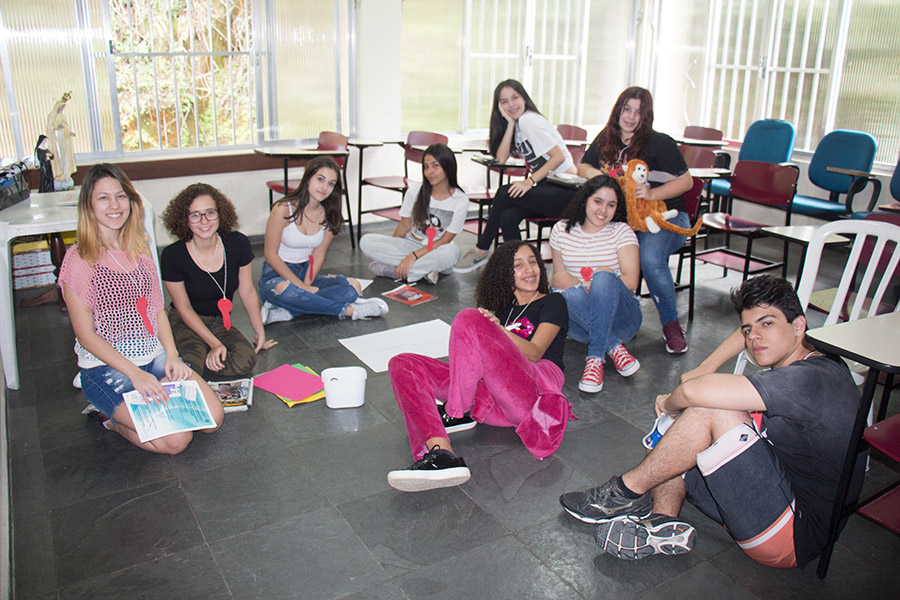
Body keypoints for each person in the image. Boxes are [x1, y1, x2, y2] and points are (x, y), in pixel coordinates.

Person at [559, 275, 859, 569]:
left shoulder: (813, 378)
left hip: (792, 532)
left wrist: (670, 400)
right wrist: (706, 367)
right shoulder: (804, 358)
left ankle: (624, 491)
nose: (754, 337)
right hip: (768, 492)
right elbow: (754, 329)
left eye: (767, 324)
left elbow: (693, 392)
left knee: (709, 407)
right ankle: (662, 523)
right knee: (673, 435)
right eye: (748, 329)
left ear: (799, 326)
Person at [58, 163, 224, 454]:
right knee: (176, 441)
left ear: (131, 201)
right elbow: (86, 336)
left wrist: (171, 355)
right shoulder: (79, 260)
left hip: (152, 355)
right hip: (107, 368)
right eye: (103, 198)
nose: (114, 206)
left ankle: (135, 411)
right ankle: (110, 419)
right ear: (88, 205)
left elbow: (157, 310)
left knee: (212, 419)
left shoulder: (140, 249)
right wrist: (135, 374)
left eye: (121, 196)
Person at [387, 241, 572, 492]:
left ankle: (455, 410)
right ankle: (442, 454)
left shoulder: (552, 302)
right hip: (491, 400)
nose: (530, 269)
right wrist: (494, 328)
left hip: (533, 395)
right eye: (518, 265)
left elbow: (535, 352)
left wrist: (497, 330)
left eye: (533, 262)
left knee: (469, 317)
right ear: (504, 274)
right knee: (402, 363)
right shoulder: (503, 312)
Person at [579, 87, 693, 354]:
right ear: (618, 111)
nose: (631, 117)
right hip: (627, 220)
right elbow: (582, 166)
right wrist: (603, 179)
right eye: (626, 109)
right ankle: (614, 315)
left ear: (646, 116)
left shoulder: (659, 142)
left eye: (638, 112)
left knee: (650, 257)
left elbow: (686, 182)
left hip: (666, 217)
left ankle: (671, 324)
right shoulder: (607, 138)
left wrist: (652, 193)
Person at [454, 79, 577, 273]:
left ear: (524, 98)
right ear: (499, 106)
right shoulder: (520, 124)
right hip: (548, 190)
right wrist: (510, 124)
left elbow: (558, 157)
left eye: (515, 98)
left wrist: (529, 181)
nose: (511, 104)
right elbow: (501, 158)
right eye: (504, 101)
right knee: (507, 216)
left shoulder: (530, 120)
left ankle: (482, 248)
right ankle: (521, 267)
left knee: (505, 192)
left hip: (568, 192)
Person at [161, 183, 277, 380]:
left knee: (246, 360)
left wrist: (260, 332)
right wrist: (215, 344)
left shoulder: (237, 243)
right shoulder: (173, 255)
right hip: (186, 321)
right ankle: (194, 360)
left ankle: (201, 361)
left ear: (220, 214)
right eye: (195, 215)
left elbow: (247, 291)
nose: (204, 221)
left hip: (220, 321)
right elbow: (184, 308)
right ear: (184, 219)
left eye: (210, 213)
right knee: (191, 366)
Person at [259, 156, 388, 322]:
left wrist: (306, 285)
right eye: (320, 179)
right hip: (276, 275)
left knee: (352, 288)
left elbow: (318, 255)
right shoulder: (283, 208)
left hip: (306, 272)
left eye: (331, 184)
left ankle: (288, 310)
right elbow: (270, 255)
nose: (325, 188)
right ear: (308, 178)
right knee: (286, 291)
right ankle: (350, 311)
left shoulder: (329, 214)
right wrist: (301, 286)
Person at [549, 175, 642, 393]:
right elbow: (558, 278)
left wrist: (589, 284)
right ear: (585, 200)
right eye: (598, 201)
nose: (603, 210)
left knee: (604, 276)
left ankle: (595, 357)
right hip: (581, 325)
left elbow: (631, 281)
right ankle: (613, 347)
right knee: (565, 292)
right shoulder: (561, 230)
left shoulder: (621, 231)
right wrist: (569, 284)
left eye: (611, 204)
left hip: (622, 319)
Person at [360, 143, 468, 285]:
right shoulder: (415, 191)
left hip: (437, 248)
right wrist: (393, 245)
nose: (429, 172)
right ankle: (423, 271)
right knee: (366, 241)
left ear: (448, 166)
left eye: (435, 166)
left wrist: (413, 256)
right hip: (410, 244)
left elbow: (444, 241)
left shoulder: (460, 200)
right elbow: (405, 225)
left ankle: (395, 270)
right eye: (426, 166)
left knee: (454, 252)